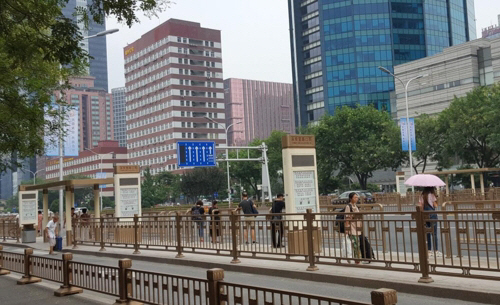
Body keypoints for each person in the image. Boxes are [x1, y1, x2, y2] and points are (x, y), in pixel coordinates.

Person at [418, 187, 442, 257]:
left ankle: (429, 250)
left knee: (427, 233)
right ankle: (436, 251)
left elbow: (421, 206)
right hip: (432, 215)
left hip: (425, 215)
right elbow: (435, 205)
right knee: (434, 233)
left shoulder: (422, 195)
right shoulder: (432, 195)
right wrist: (436, 200)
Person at [345, 192, 362, 264]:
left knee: (357, 243)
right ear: (351, 198)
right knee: (355, 244)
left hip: (357, 227)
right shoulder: (348, 206)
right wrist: (347, 228)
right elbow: (347, 218)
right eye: (355, 197)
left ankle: (358, 259)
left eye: (357, 197)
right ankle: (357, 260)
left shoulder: (355, 206)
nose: (356, 199)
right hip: (352, 228)